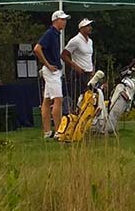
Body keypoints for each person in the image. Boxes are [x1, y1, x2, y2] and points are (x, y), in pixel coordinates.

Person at [34, 10, 71, 138]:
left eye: (65, 20)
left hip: (54, 70)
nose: (64, 22)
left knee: (46, 100)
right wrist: (47, 64)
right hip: (52, 71)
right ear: (56, 20)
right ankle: (59, 131)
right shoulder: (50, 33)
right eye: (62, 19)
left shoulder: (56, 34)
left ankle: (47, 131)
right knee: (58, 99)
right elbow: (37, 49)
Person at [61, 18, 94, 111]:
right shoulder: (75, 40)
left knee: (88, 98)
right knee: (77, 99)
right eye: (87, 26)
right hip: (78, 74)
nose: (90, 28)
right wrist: (75, 66)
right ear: (81, 28)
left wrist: (92, 69)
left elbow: (89, 56)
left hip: (88, 73)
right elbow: (64, 55)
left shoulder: (90, 41)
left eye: (90, 26)